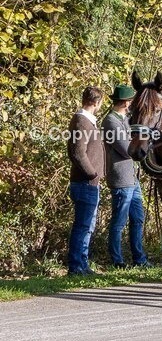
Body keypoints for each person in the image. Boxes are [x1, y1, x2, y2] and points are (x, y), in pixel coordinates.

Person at [102, 84, 151, 268]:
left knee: (138, 218)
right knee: (119, 221)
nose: (133, 103)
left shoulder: (125, 119)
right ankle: (117, 260)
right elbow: (127, 149)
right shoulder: (111, 122)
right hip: (121, 177)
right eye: (131, 100)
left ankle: (139, 258)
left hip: (132, 178)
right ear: (125, 102)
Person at [67, 86, 106, 275]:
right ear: (97, 103)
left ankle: (82, 263)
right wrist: (92, 174)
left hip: (89, 183)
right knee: (82, 225)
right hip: (84, 183)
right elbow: (77, 153)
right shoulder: (82, 121)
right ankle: (75, 266)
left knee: (88, 226)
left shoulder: (87, 121)